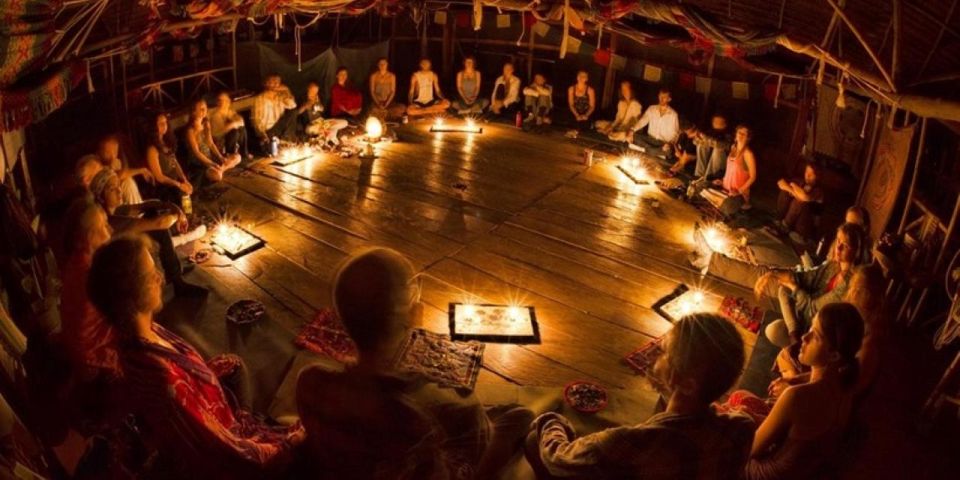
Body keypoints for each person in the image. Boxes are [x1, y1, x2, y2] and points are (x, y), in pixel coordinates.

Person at [297, 248, 533, 479]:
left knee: (482, 413)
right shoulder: (410, 418)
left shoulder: (310, 381)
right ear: (411, 315)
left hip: (358, 460)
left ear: (339, 317)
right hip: (433, 462)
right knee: (518, 416)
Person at [86, 235, 305, 479]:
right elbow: (225, 450)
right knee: (303, 433)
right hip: (225, 442)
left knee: (234, 364)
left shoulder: (139, 334)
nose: (160, 277)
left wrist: (205, 377)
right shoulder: (161, 379)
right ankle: (249, 420)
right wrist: (288, 444)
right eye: (150, 275)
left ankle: (246, 415)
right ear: (132, 295)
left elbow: (186, 374)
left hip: (209, 411)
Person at [525, 313, 753, 479]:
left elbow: (558, 458)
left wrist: (551, 420)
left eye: (664, 352)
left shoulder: (629, 443)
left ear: (687, 384)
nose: (654, 353)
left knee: (535, 440)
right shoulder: (741, 428)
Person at [744, 303, 864, 480]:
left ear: (834, 355)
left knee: (738, 403)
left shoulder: (796, 396)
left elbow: (751, 449)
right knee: (744, 405)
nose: (804, 337)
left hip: (760, 473)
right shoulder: (845, 385)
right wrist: (795, 379)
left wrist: (743, 418)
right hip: (801, 468)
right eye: (810, 328)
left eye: (815, 336)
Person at [691, 223, 865, 344]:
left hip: (812, 324)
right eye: (838, 242)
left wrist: (793, 286)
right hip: (801, 303)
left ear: (857, 251)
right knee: (767, 274)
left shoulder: (851, 283)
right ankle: (710, 260)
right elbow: (808, 277)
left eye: (846, 245)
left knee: (773, 331)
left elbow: (813, 310)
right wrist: (776, 274)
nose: (838, 248)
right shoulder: (833, 266)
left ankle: (794, 336)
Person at [89, 169, 206, 297]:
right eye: (112, 189)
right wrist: (177, 216)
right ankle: (175, 279)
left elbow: (145, 205)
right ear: (100, 197)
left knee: (152, 212)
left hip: (129, 259)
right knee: (157, 225)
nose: (119, 191)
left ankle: (175, 275)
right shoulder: (110, 221)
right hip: (123, 274)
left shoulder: (117, 210)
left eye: (118, 186)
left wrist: (175, 208)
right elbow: (160, 223)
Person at [58, 197, 117, 379]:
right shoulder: (91, 272)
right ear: (87, 237)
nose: (111, 231)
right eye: (104, 227)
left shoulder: (77, 261)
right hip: (97, 359)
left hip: (82, 353)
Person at [701, 124, 757, 213]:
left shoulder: (748, 154)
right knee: (703, 191)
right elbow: (730, 171)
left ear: (748, 138)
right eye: (739, 132)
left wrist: (739, 191)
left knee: (724, 206)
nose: (741, 135)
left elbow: (753, 177)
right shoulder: (733, 148)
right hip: (726, 188)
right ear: (736, 134)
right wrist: (722, 181)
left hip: (738, 194)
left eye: (744, 134)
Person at [185, 100, 241, 186]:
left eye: (205, 108)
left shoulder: (206, 123)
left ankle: (222, 169)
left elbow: (210, 143)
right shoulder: (190, 130)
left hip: (210, 158)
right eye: (201, 109)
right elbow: (197, 153)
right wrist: (212, 164)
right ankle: (220, 170)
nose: (204, 111)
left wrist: (221, 157)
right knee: (217, 176)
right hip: (199, 163)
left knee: (238, 157)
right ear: (193, 112)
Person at [145, 112, 193, 204]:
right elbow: (159, 177)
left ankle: (188, 213)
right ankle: (183, 214)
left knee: (189, 188)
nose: (164, 126)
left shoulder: (166, 141)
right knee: (182, 194)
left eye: (165, 122)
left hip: (175, 179)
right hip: (165, 185)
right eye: (161, 124)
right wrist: (179, 185)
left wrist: (184, 179)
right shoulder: (152, 149)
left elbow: (175, 162)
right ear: (154, 127)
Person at [90, 134, 152, 205]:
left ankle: (139, 206)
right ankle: (136, 208)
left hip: (118, 197)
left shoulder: (115, 162)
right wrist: (141, 170)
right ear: (100, 152)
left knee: (129, 181)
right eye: (108, 152)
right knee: (127, 183)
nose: (112, 156)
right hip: (106, 198)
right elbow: (119, 175)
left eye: (115, 152)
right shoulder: (95, 164)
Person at [775, 163, 825, 244]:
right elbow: (780, 182)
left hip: (806, 226)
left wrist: (793, 186)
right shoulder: (801, 182)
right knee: (785, 192)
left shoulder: (819, 191)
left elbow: (806, 197)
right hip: (796, 220)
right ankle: (779, 220)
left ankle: (784, 226)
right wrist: (791, 190)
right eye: (806, 172)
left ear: (817, 177)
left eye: (811, 174)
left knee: (799, 201)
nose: (807, 176)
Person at [630, 88, 680, 159]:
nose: (661, 99)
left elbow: (676, 134)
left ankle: (646, 150)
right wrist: (632, 130)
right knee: (634, 136)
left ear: (669, 99)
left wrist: (669, 144)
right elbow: (642, 121)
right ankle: (655, 152)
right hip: (650, 140)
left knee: (669, 151)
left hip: (662, 144)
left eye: (664, 97)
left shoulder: (673, 114)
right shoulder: (651, 108)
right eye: (660, 96)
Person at [252, 74, 299, 147]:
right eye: (273, 82)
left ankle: (286, 142)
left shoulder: (280, 96)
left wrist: (287, 90)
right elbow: (256, 121)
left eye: (278, 82)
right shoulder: (260, 99)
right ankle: (279, 143)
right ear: (266, 83)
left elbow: (293, 106)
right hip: (268, 131)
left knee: (293, 112)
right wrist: (262, 135)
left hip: (279, 128)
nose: (276, 84)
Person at [298, 81, 349, 147]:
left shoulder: (317, 98)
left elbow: (322, 109)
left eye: (316, 91)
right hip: (311, 126)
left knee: (344, 122)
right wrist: (304, 106)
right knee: (320, 128)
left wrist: (318, 105)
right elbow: (297, 112)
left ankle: (329, 136)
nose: (314, 93)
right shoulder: (303, 99)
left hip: (322, 122)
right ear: (308, 89)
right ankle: (331, 138)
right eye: (313, 91)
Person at [209, 91, 250, 160]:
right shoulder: (216, 115)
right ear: (217, 102)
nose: (223, 102)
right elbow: (217, 134)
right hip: (219, 140)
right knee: (234, 132)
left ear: (228, 102)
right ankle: (230, 154)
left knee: (242, 129)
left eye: (225, 100)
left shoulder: (229, 112)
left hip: (228, 137)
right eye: (220, 100)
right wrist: (232, 125)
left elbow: (241, 122)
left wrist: (233, 124)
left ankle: (244, 152)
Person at [693, 113, 732, 180]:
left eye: (719, 123)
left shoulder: (729, 134)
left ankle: (709, 178)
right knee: (701, 146)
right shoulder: (710, 131)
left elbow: (725, 145)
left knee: (718, 149)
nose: (716, 124)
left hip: (723, 164)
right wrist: (699, 140)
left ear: (725, 124)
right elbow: (695, 142)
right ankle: (699, 175)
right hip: (709, 159)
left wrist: (708, 140)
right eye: (715, 122)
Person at [565, 70, 595, 134]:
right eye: (580, 76)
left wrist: (586, 115)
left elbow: (592, 106)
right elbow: (571, 104)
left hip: (585, 113)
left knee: (584, 126)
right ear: (577, 77)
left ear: (586, 79)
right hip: (575, 112)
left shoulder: (590, 90)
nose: (581, 78)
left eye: (584, 76)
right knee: (573, 123)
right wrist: (577, 115)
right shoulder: (571, 89)